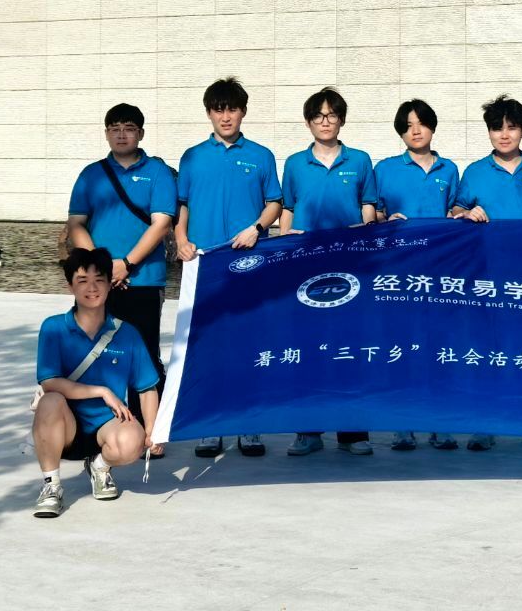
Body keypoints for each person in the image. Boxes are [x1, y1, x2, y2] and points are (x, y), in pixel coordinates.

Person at [175, 77, 282, 459]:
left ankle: (248, 424)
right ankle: (210, 426)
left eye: (232, 109)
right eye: (218, 109)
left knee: (250, 342)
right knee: (207, 345)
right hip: (205, 264)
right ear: (209, 113)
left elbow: (274, 203)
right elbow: (181, 205)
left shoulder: (261, 155)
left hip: (250, 262)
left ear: (243, 112)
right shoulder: (192, 157)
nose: (226, 116)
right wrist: (181, 238)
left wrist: (257, 229)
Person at [451, 94, 522, 451]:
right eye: (497, 128)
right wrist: (467, 214)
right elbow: (455, 210)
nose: (504, 134)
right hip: (488, 276)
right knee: (489, 348)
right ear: (488, 132)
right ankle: (486, 425)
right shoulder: (475, 172)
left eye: (511, 127)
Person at [65, 103, 176, 458]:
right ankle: (104, 427)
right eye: (114, 128)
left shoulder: (157, 172)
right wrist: (102, 268)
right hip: (97, 283)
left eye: (129, 127)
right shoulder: (91, 175)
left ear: (140, 133)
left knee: (144, 353)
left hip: (143, 279)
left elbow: (162, 222)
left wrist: (126, 264)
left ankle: (152, 432)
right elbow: (76, 224)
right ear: (106, 133)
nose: (121, 134)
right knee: (97, 353)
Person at [282, 87, 378, 458]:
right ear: (308, 122)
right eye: (318, 116)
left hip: (351, 268)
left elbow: (368, 208)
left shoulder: (360, 160)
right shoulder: (295, 163)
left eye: (332, 115)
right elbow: (288, 211)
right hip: (306, 270)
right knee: (308, 347)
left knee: (350, 346)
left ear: (341, 120)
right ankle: (308, 431)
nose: (325, 122)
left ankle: (353, 432)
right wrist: (284, 252)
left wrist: (363, 231)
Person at [31, 247, 159, 518]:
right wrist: (101, 391)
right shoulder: (53, 328)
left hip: (107, 424)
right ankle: (51, 485)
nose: (92, 288)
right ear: (70, 286)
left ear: (110, 284)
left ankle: (100, 467)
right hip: (66, 426)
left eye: (99, 280)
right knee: (49, 401)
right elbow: (50, 382)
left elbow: (147, 387)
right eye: (82, 280)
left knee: (133, 440)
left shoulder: (127, 333)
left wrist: (151, 431)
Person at [373, 98, 461, 451]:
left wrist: (462, 215)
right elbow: (373, 215)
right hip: (398, 274)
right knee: (402, 347)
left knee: (440, 347)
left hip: (439, 273)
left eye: (421, 123)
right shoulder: (385, 169)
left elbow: (456, 210)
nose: (416, 130)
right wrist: (385, 220)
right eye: (408, 125)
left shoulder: (449, 169)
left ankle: (440, 424)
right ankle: (403, 425)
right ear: (400, 132)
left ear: (432, 127)